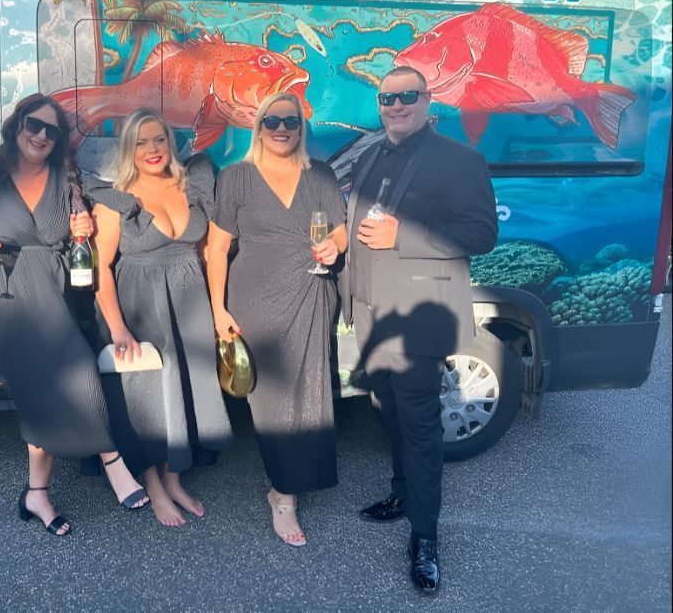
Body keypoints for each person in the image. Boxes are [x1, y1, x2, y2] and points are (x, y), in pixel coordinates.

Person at [0, 93, 149, 537]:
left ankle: (37, 493)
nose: (41, 136)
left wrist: (82, 230)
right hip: (4, 291)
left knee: (41, 393)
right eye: (34, 124)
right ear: (17, 125)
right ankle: (113, 462)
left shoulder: (63, 177)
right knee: (75, 375)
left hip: (55, 291)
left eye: (52, 131)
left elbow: (78, 239)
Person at [342, 66, 498, 593]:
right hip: (371, 313)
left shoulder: (460, 159)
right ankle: (402, 492)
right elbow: (356, 224)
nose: (396, 104)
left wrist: (401, 235)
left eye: (408, 95)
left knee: (421, 426)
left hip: (417, 320)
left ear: (428, 100)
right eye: (387, 97)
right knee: (389, 412)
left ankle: (425, 538)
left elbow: (481, 233)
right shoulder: (369, 154)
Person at [206, 92, 347, 547]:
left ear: (301, 127)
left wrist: (337, 246)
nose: (281, 128)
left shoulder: (319, 174)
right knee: (269, 404)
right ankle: (282, 493)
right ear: (259, 126)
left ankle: (286, 490)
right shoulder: (236, 178)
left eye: (290, 120)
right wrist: (218, 310)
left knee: (310, 394)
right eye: (272, 120)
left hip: (311, 295)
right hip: (255, 303)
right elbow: (216, 250)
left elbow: (341, 227)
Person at [88, 108, 234, 527]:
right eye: (140, 142)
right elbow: (101, 268)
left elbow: (210, 251)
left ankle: (173, 479)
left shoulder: (194, 183)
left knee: (187, 388)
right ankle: (153, 486)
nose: (151, 149)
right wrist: (117, 327)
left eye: (159, 140)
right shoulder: (117, 196)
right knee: (148, 397)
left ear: (171, 143)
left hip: (190, 299)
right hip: (139, 302)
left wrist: (219, 307)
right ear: (128, 149)